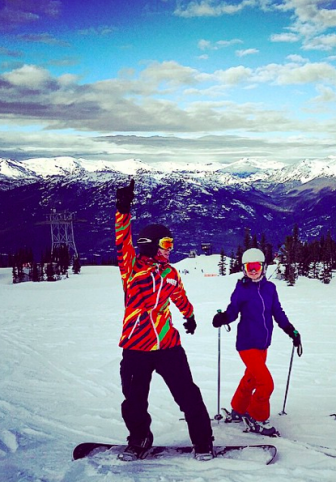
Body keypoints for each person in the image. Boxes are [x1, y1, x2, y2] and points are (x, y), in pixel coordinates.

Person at [114, 179, 214, 461]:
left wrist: (190, 316)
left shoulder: (171, 273)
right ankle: (139, 439)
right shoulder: (131, 268)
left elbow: (180, 296)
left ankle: (203, 441)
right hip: (135, 346)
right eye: (166, 243)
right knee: (134, 402)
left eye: (171, 243)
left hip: (168, 345)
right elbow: (122, 239)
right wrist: (123, 210)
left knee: (188, 395)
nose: (170, 248)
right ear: (151, 246)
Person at [212, 248, 302, 437]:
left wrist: (290, 330)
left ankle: (238, 409)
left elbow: (277, 312)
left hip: (263, 344)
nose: (253, 270)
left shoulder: (270, 289)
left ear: (263, 267)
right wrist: (223, 318)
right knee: (265, 383)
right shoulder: (241, 290)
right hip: (246, 344)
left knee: (251, 378)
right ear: (244, 269)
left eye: (256, 266)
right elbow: (232, 311)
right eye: (248, 267)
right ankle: (257, 418)